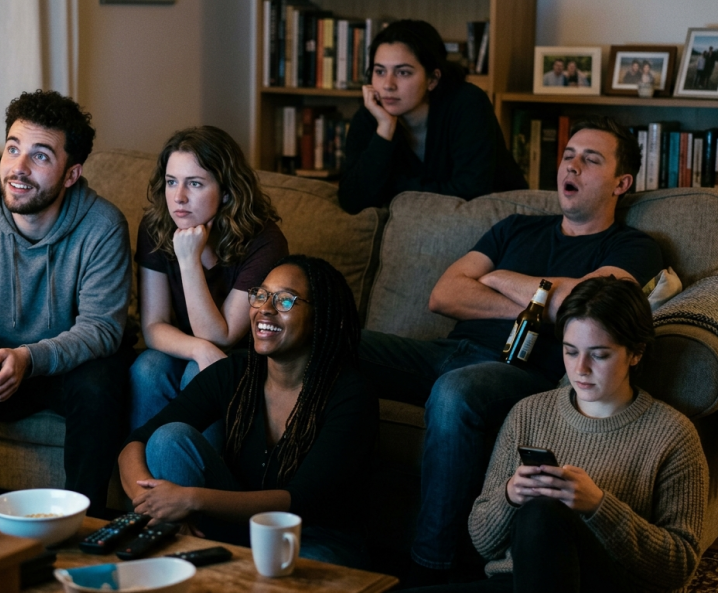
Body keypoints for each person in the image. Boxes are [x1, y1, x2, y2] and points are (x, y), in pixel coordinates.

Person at [357, 116, 665, 587]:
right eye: (568, 156)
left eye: (591, 159)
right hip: (445, 351)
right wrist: (545, 298)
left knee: (456, 392)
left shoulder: (635, 248)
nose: (573, 165)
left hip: (517, 373)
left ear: (621, 183)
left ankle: (430, 569)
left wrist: (498, 277)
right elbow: (443, 294)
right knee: (333, 340)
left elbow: (589, 308)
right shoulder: (517, 227)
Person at [407, 276, 708, 592]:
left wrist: (599, 507)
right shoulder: (529, 413)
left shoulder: (673, 435)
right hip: (516, 581)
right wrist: (511, 495)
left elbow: (680, 567)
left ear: (636, 353)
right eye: (571, 351)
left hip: (605, 586)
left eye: (599, 354)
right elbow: (483, 542)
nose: (580, 369)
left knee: (542, 512)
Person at [0, 90, 133, 519]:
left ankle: (84, 520)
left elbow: (102, 328)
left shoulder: (103, 226)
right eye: (13, 149)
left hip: (65, 368)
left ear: (71, 174)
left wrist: (28, 358)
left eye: (41, 156)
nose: (19, 168)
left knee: (101, 382)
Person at [120, 255, 378, 569]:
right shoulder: (236, 373)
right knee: (168, 438)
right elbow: (136, 443)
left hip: (312, 538)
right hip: (238, 530)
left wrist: (188, 499)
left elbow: (299, 502)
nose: (264, 309)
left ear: (321, 317)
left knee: (299, 577)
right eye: (260, 295)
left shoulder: (350, 394)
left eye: (284, 300)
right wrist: (151, 505)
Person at [129, 126, 288, 445]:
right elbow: (153, 325)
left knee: (199, 374)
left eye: (195, 184)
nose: (178, 198)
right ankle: (142, 481)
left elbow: (223, 336)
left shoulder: (264, 241)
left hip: (247, 358)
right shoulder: (157, 225)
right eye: (171, 182)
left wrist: (188, 260)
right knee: (148, 367)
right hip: (189, 347)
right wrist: (198, 349)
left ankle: (198, 485)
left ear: (227, 191)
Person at [338, 20, 526, 213]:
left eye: (403, 72)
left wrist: (391, 189)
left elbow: (471, 194)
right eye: (380, 71)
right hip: (415, 229)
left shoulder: (467, 104)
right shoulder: (371, 116)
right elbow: (352, 201)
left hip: (498, 223)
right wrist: (384, 130)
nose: (388, 85)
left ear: (433, 79)